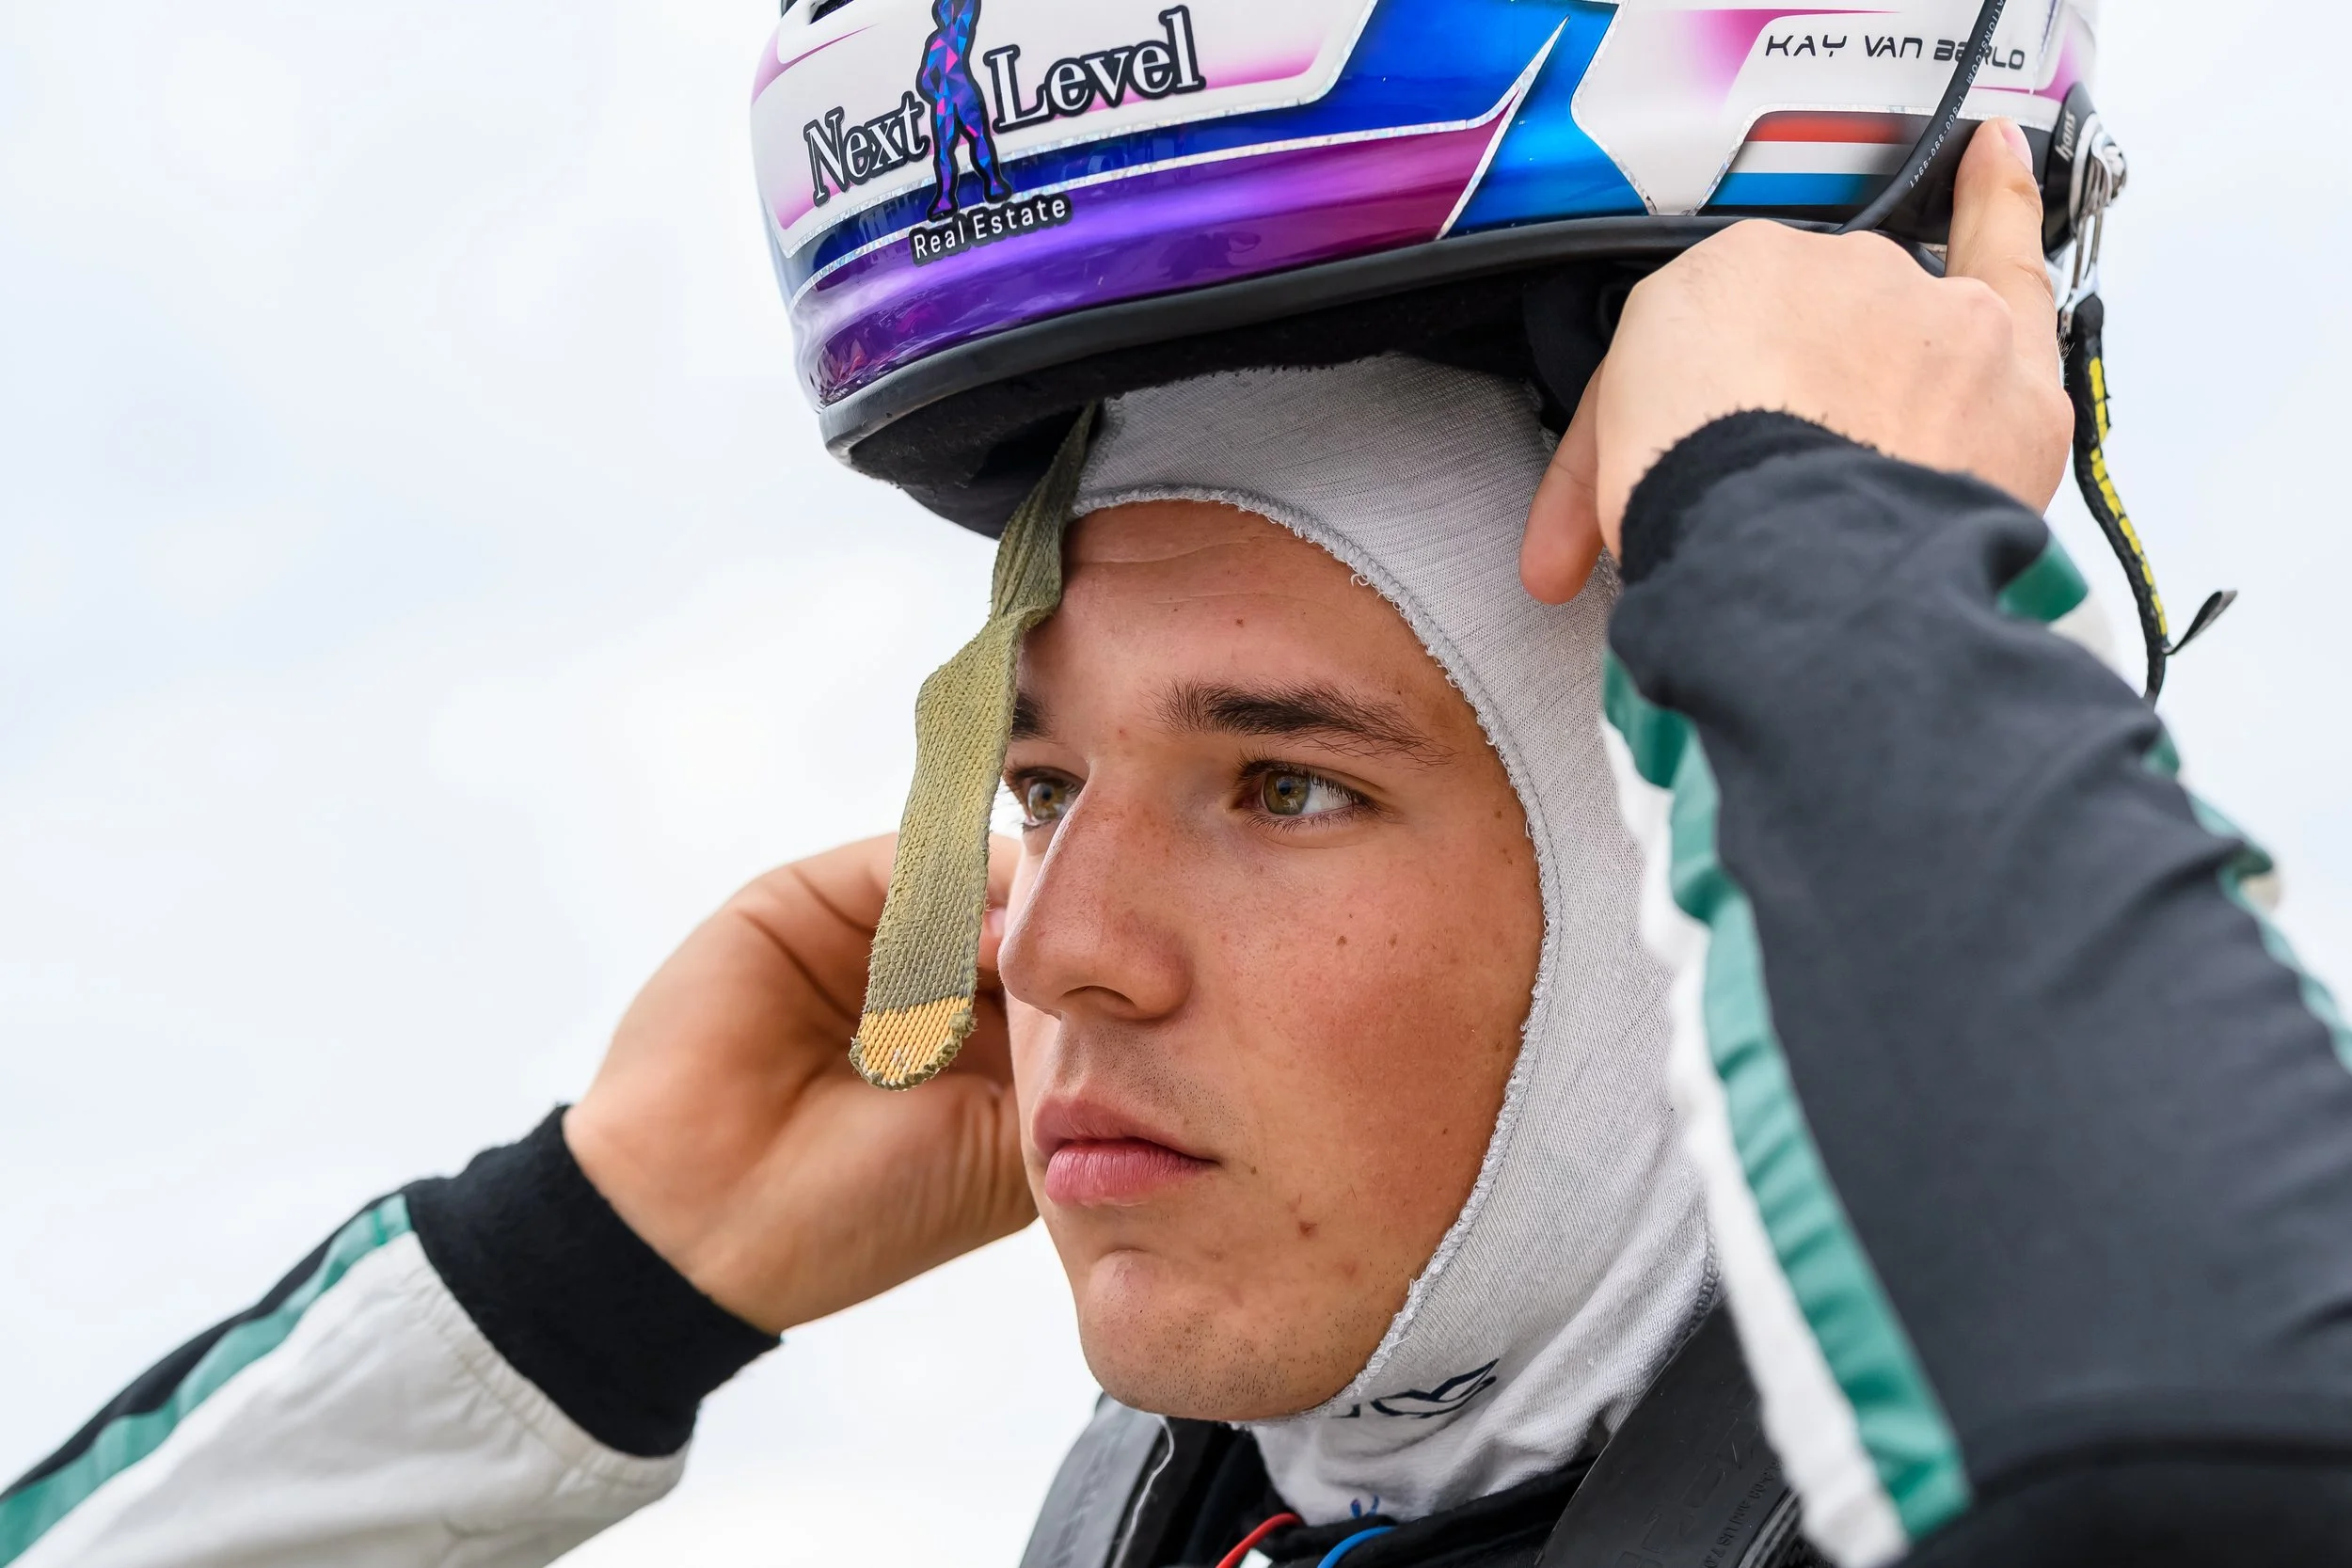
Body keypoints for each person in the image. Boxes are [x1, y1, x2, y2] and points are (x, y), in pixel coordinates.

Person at [8, 83, 2352, 1568]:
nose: (1050, 946)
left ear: (1693, 854)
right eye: (1032, 784)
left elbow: (2208, 1475)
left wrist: (1825, 569)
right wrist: (579, 1282)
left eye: (1286, 778)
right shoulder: (1172, 1517)